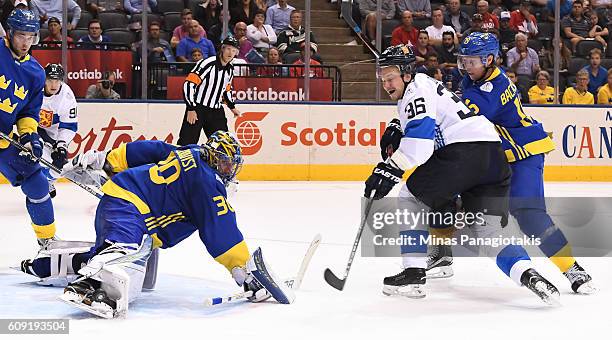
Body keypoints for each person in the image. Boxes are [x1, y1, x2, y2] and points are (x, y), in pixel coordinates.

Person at [20, 131, 295, 318]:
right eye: (224, 164)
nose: (228, 170)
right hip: (128, 207)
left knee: (141, 280)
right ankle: (89, 289)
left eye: (231, 165)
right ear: (213, 157)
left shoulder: (194, 151)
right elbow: (222, 232)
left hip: (133, 210)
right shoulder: (208, 184)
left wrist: (109, 161)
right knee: (124, 259)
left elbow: (153, 149)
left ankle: (47, 265)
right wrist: (244, 272)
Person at [366, 44, 560, 304]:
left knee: (410, 196)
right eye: (382, 79)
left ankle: (413, 272)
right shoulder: (424, 83)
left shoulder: (416, 91)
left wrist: (389, 169)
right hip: (493, 157)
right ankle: (528, 274)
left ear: (406, 74)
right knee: (488, 231)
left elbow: (421, 147)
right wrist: (396, 125)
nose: (386, 84)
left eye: (390, 78)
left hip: (464, 152)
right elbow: (427, 115)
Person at [454, 32, 595, 294]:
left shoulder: (493, 90)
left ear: (489, 59)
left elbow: (457, 115)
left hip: (524, 152)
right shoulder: (475, 78)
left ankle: (571, 268)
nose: (465, 67)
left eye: (470, 61)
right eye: (463, 61)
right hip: (498, 157)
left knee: (529, 216)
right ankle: (440, 252)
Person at [0, 9, 57, 248]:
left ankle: (47, 244)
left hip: (3, 140)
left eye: (31, 36)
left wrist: (29, 136)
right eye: (21, 35)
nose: (26, 42)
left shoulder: (36, 73)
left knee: (37, 182)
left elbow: (27, 113)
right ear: (10, 33)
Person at [179, 36, 242, 145]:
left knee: (223, 144)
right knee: (187, 143)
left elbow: (226, 90)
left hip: (216, 111)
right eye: (228, 49)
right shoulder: (207, 63)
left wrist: (232, 107)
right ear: (222, 48)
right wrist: (191, 108)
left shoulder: (230, 70)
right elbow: (189, 84)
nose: (230, 53)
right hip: (198, 108)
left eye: (233, 50)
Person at [37, 64, 78, 198]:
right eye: (50, 80)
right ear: (44, 79)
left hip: (54, 133)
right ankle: (39, 186)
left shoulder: (66, 96)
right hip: (33, 128)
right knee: (41, 157)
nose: (53, 84)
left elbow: (69, 125)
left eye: (57, 80)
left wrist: (61, 145)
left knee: (58, 163)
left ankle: (48, 181)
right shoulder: (35, 87)